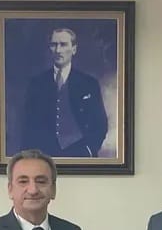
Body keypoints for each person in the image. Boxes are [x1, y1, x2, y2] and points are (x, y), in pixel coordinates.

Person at [21, 28, 108, 158]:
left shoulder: (89, 83)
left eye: (63, 44)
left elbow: (100, 124)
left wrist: (89, 149)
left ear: (74, 49)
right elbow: (28, 125)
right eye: (54, 45)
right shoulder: (36, 84)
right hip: (44, 155)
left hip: (80, 153)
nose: (58, 50)